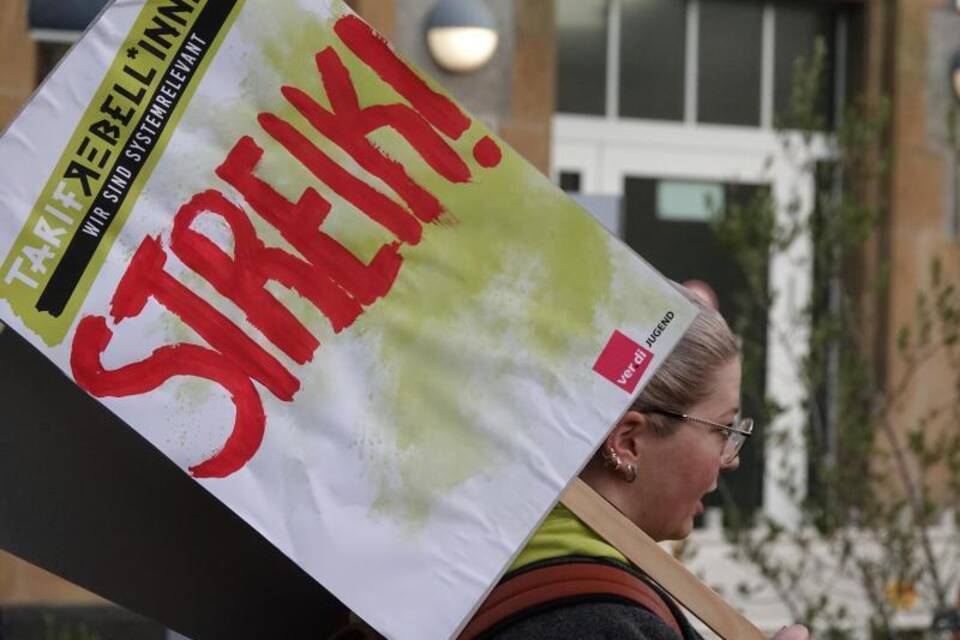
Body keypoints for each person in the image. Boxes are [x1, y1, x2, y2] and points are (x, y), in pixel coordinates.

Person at [473, 289, 810, 640]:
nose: (733, 459)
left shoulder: (487, 572)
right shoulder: (599, 623)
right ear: (628, 442)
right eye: (722, 429)